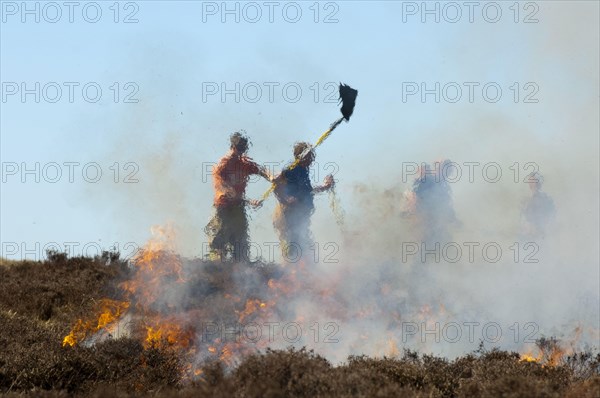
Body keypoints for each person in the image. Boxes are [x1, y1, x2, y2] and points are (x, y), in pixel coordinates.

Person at [205, 132, 270, 261]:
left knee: (240, 241)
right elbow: (227, 191)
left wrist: (271, 176)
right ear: (233, 147)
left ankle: (241, 268)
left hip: (238, 208)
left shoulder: (243, 163)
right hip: (223, 208)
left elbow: (260, 169)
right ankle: (215, 267)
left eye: (243, 149)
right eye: (239, 149)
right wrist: (250, 201)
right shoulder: (222, 166)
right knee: (219, 240)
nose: (241, 152)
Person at [272, 142, 334, 260]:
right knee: (293, 242)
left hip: (301, 214)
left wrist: (325, 186)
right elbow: (276, 185)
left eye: (312, 156)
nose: (312, 159)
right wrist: (286, 199)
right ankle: (291, 270)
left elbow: (307, 191)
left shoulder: (304, 170)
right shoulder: (291, 169)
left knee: (304, 243)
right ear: (302, 156)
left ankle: (302, 269)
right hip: (289, 214)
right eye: (310, 156)